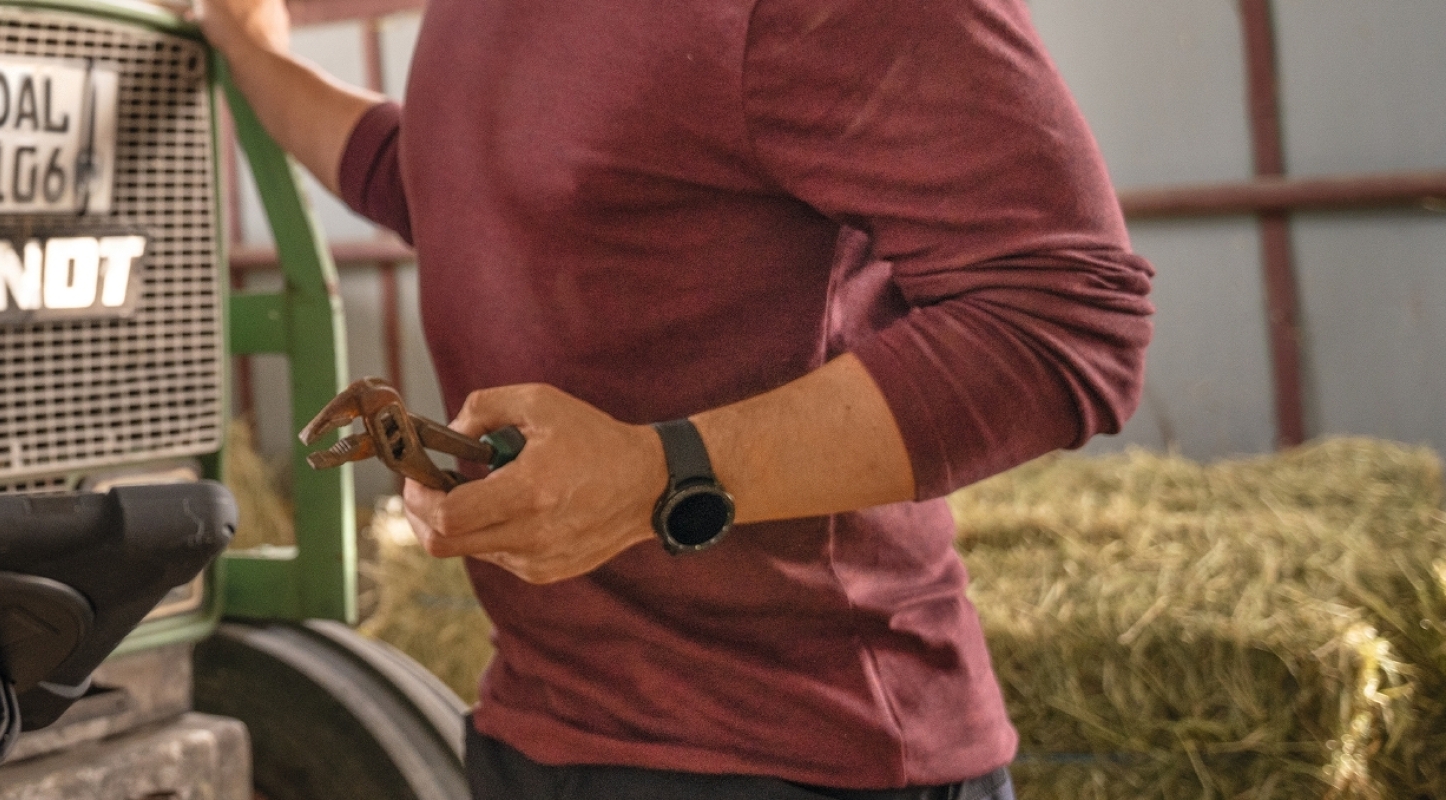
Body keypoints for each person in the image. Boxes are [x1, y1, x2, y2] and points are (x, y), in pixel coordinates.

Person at [199, 0, 1153, 797]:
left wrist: (662, 473)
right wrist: (245, 43)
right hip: (536, 734)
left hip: (801, 753)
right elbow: (442, 177)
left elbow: (1064, 319)